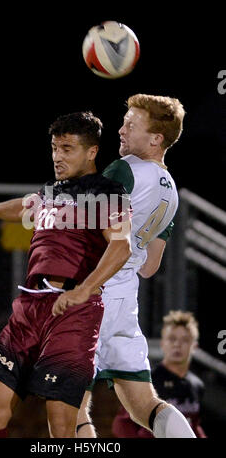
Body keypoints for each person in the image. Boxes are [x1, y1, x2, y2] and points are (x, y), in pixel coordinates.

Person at [0, 111, 132, 438]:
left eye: (67, 149)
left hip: (73, 312)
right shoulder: (50, 191)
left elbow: (121, 245)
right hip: (29, 309)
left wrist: (85, 290)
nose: (57, 157)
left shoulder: (108, 192)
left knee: (60, 424)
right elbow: (23, 207)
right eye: (54, 148)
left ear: (91, 152)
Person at [76, 94, 196, 438]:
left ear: (156, 138)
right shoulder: (171, 193)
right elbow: (149, 267)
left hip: (94, 291)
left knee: (69, 403)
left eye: (131, 125)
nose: (121, 130)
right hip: (126, 300)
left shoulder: (123, 169)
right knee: (145, 405)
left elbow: (83, 228)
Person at [112, 311, 207, 438]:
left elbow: (193, 425)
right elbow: (121, 424)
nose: (177, 345)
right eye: (172, 339)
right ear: (162, 344)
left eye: (185, 340)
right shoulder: (148, 380)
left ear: (194, 346)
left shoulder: (196, 385)